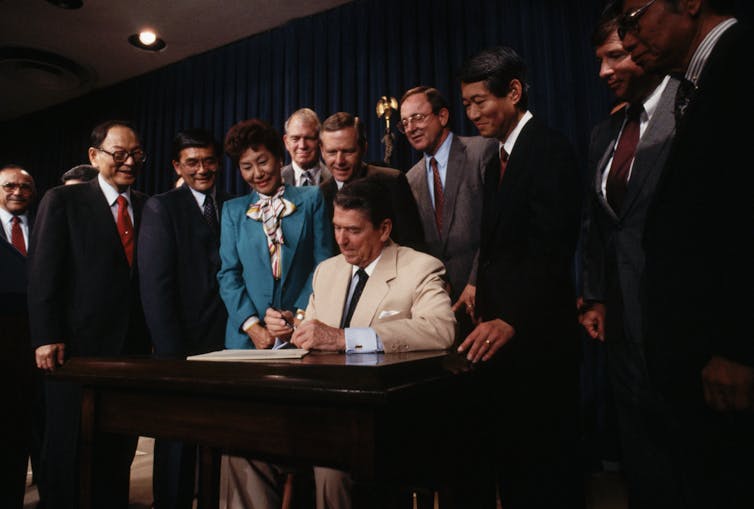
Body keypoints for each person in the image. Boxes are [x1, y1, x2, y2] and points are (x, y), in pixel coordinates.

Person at [618, 1, 754, 507]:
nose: (629, 38)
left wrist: (739, 347)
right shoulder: (702, 81)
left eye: (634, 17)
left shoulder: (739, 63)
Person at [267, 177, 454, 509]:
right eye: (337, 227)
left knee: (330, 464)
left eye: (353, 230)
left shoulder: (420, 268)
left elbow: (440, 329)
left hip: (380, 421)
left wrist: (344, 339)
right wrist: (288, 336)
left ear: (384, 229)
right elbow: (309, 337)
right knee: (237, 451)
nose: (341, 240)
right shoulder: (327, 271)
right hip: (315, 410)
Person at [455, 46, 585, 509]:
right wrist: (477, 287)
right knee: (515, 472)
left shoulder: (550, 149)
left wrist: (513, 318)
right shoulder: (496, 161)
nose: (471, 114)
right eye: (466, 103)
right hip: (503, 346)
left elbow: (553, 250)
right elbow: (499, 248)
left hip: (539, 344)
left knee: (546, 475)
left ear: (513, 91)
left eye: (479, 102)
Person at [578, 3, 680, 507]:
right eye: (599, 59)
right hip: (621, 321)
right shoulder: (607, 132)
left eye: (614, 55)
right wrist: (594, 294)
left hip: (677, 317)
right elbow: (598, 224)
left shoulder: (691, 107)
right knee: (641, 457)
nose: (604, 71)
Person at [28, 120, 152, 509]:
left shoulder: (150, 206)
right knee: (68, 449)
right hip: (75, 351)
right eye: (119, 154)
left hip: (131, 352)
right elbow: (44, 273)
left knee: (119, 450)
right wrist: (46, 335)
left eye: (136, 154)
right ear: (94, 156)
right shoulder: (62, 201)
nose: (129, 161)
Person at [216, 118, 332, 508]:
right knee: (243, 442)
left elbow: (324, 265)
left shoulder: (312, 199)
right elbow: (228, 274)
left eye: (262, 162)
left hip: (301, 335)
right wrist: (254, 326)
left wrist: (296, 318)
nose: (257, 173)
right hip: (248, 341)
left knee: (300, 437)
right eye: (246, 167)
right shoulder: (233, 211)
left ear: (277, 156)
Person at [138, 128, 232, 509]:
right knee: (177, 440)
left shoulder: (234, 203)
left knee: (219, 436)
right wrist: (170, 353)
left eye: (209, 160)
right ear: (178, 165)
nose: (202, 169)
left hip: (227, 343)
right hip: (180, 346)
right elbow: (156, 287)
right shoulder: (161, 207)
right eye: (192, 162)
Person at [399, 85, 498, 342]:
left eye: (418, 118)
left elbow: (495, 226)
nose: (411, 128)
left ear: (442, 116)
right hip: (442, 310)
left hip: (489, 298)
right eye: (405, 123)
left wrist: (475, 282)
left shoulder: (482, 152)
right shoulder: (410, 179)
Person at [318, 112, 425, 252]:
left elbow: (412, 245)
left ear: (364, 148)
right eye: (332, 152)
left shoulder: (392, 182)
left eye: (348, 152)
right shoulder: (320, 194)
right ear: (321, 151)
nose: (339, 161)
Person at [0, 164, 38, 509]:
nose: (18, 192)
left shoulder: (44, 227)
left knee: (30, 434)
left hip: (36, 347)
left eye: (25, 187)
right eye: (10, 185)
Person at [281, 108, 331, 186]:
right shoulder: (274, 180)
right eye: (295, 139)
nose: (302, 146)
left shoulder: (335, 178)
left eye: (309, 138)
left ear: (320, 140)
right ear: (286, 142)